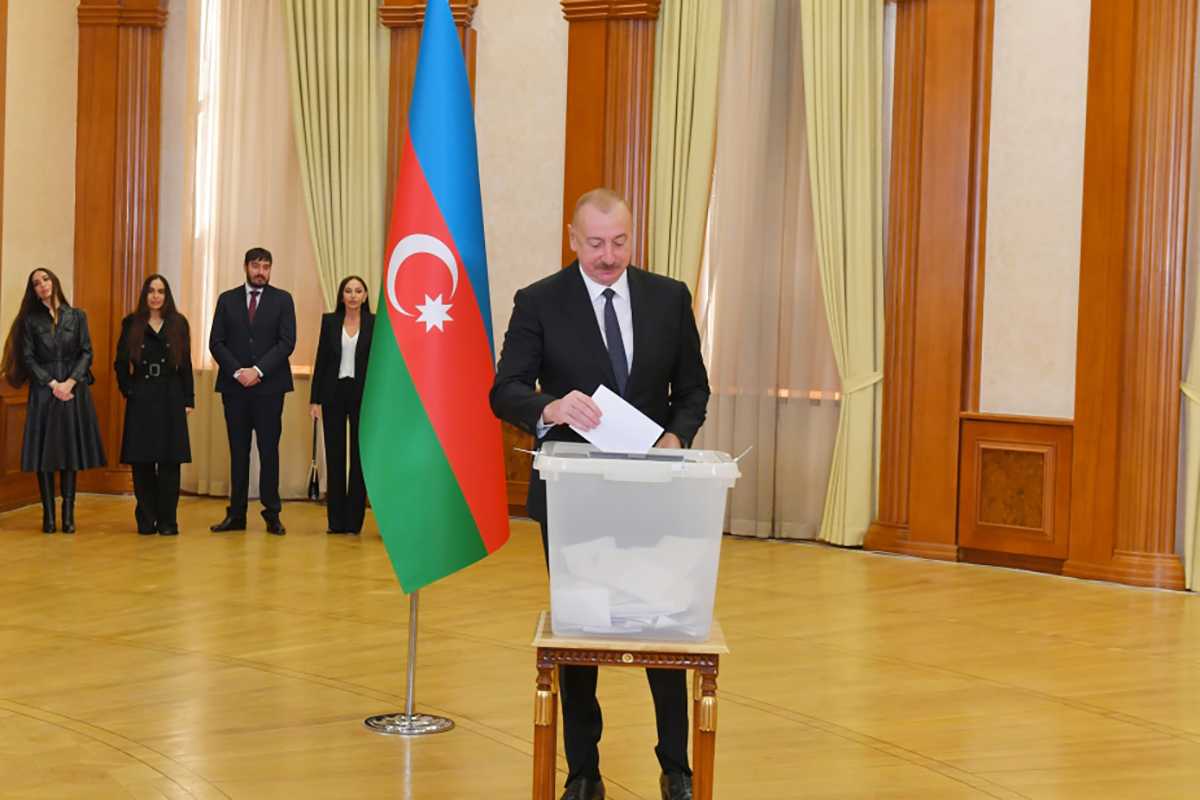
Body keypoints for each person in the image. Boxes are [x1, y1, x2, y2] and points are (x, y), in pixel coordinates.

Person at [490, 188, 710, 800]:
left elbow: (694, 388)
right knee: (581, 633)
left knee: (660, 628)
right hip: (574, 494)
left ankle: (676, 767)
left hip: (654, 492)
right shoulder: (539, 300)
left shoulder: (669, 297)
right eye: (595, 244)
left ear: (631, 237)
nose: (608, 256)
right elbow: (504, 388)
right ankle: (583, 771)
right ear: (571, 236)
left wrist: (676, 434)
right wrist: (549, 406)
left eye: (619, 243)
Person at [0, 268, 107, 533]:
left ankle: (68, 517)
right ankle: (48, 517)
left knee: (69, 453)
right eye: (36, 283)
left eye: (45, 279)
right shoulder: (30, 321)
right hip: (44, 389)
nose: (42, 285)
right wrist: (52, 384)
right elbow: (27, 358)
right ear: (34, 291)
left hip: (73, 389)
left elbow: (87, 352)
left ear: (55, 282)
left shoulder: (77, 316)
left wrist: (70, 382)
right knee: (44, 454)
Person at [208, 247, 296, 535]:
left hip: (270, 388)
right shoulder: (227, 299)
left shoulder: (283, 300)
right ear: (246, 267)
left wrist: (257, 371)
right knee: (238, 451)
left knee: (269, 450)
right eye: (256, 265)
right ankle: (236, 514)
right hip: (235, 389)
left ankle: (272, 513)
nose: (261, 271)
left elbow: (286, 342)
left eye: (266, 266)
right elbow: (216, 342)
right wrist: (238, 372)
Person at [115, 274, 194, 535]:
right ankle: (146, 519)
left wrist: (188, 399)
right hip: (142, 397)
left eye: (161, 291)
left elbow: (186, 364)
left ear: (167, 295)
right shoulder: (131, 323)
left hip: (171, 396)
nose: (156, 296)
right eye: (151, 291)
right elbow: (120, 363)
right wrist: (128, 389)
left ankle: (168, 521)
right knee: (143, 462)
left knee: (170, 463)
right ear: (144, 295)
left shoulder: (178, 323)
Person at [309, 275, 374, 534]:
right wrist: (315, 399)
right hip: (333, 394)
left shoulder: (374, 323)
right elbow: (321, 360)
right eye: (348, 291)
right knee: (335, 458)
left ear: (365, 296)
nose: (353, 295)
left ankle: (354, 521)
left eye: (358, 291)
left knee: (359, 459)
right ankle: (335, 522)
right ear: (341, 295)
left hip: (363, 396)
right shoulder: (330, 321)